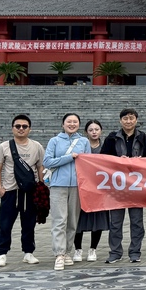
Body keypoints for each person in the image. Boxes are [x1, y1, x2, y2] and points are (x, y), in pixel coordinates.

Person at [100, 108, 146, 264]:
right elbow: (103, 158)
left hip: (136, 186)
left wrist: (140, 160)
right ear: (120, 120)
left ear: (136, 120)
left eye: (131, 118)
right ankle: (115, 252)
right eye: (125, 118)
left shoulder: (144, 137)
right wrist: (118, 160)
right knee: (115, 221)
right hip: (117, 186)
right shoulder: (112, 138)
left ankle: (135, 252)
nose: (128, 121)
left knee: (136, 221)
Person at [0, 114, 43, 268]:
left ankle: (28, 252)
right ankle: (2, 253)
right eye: (18, 126)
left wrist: (42, 186)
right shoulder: (4, 146)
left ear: (30, 129)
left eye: (24, 126)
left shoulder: (37, 146)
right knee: (5, 224)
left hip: (29, 191)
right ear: (12, 128)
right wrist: (0, 188)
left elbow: (40, 167)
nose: (21, 129)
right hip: (10, 191)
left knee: (29, 224)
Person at [44, 113, 92, 271]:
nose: (72, 124)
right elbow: (47, 161)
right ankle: (59, 253)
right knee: (59, 220)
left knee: (72, 221)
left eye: (75, 122)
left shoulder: (84, 141)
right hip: (58, 185)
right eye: (69, 122)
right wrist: (69, 157)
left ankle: (67, 252)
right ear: (63, 124)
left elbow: (88, 163)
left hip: (77, 186)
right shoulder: (55, 141)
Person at [73, 119, 110, 262]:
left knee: (98, 219)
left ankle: (93, 249)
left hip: (100, 189)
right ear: (86, 132)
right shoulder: (80, 146)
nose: (94, 132)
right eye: (91, 130)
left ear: (101, 131)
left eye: (96, 129)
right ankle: (78, 249)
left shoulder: (106, 146)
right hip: (81, 188)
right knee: (78, 219)